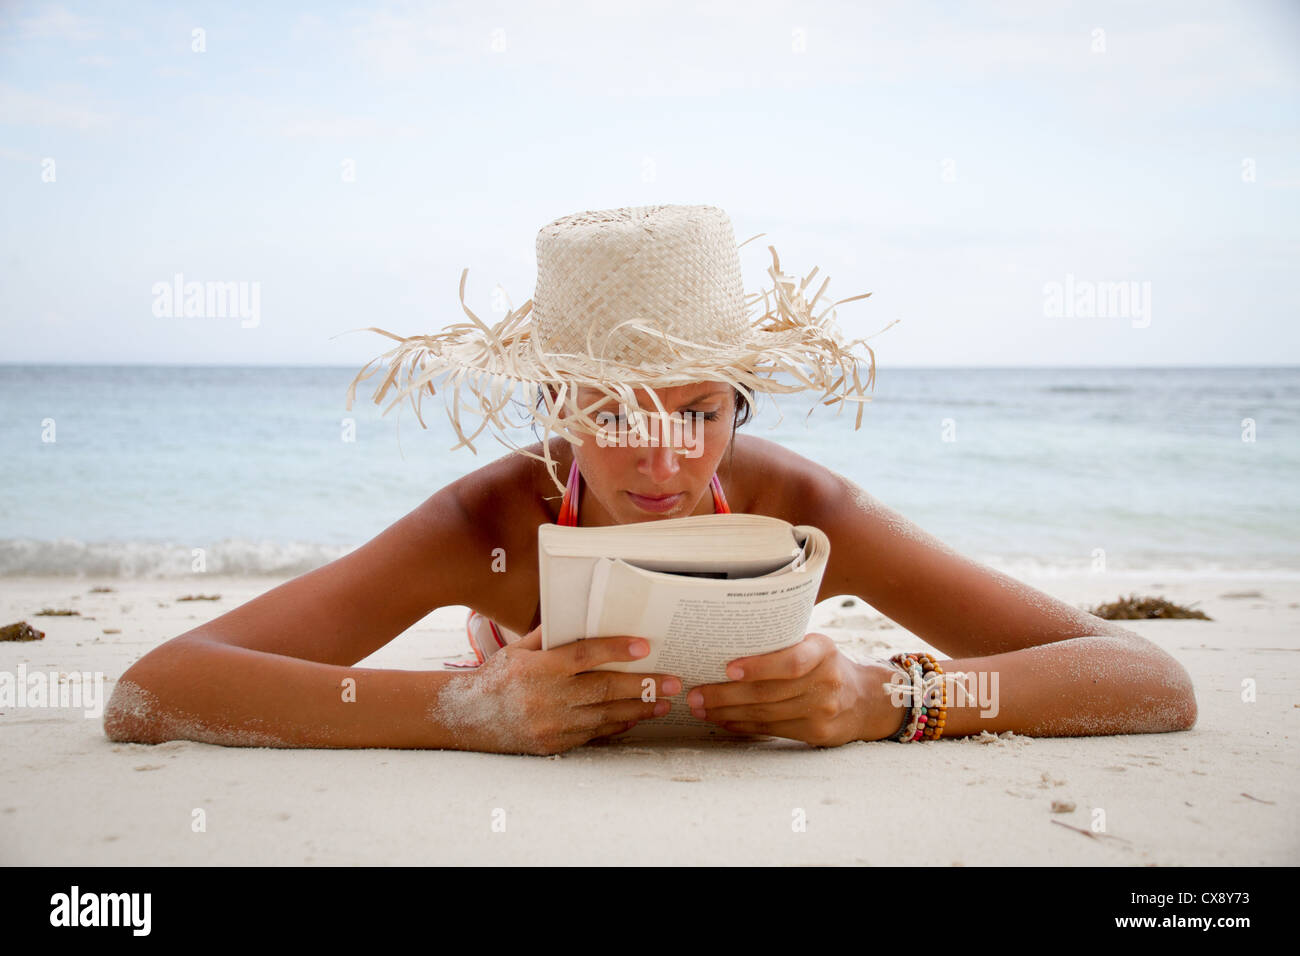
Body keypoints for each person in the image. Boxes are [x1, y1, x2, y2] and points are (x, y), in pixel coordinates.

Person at [102, 204, 1197, 755]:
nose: (664, 457)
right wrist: (463, 708)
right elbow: (157, 686)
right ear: (558, 405)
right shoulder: (487, 520)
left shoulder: (805, 507)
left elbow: (1145, 678)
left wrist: (888, 698)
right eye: (615, 411)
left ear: (736, 401)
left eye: (698, 411)